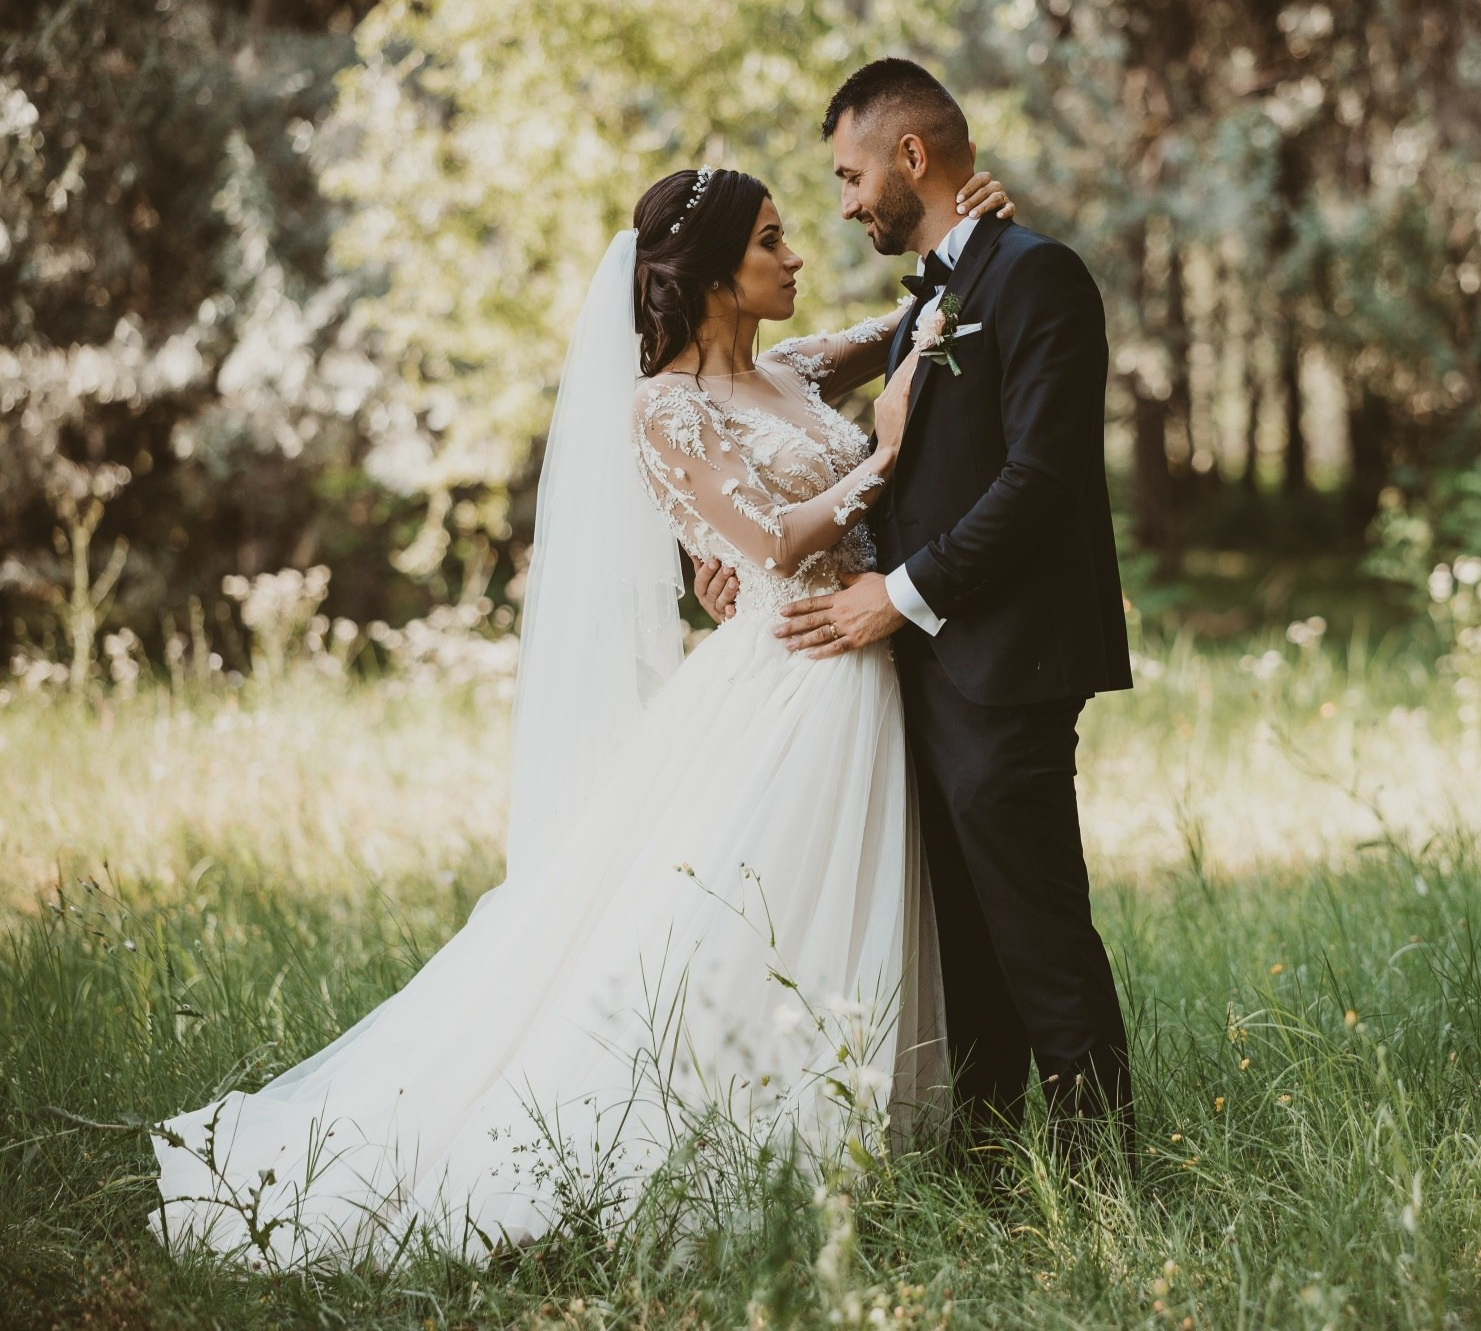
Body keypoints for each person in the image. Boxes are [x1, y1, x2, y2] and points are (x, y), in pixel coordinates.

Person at [151, 164, 1016, 1267]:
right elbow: (765, 542)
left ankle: (856, 1142)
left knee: (834, 906)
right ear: (713, 277)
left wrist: (978, 233)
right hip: (790, 682)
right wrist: (885, 454)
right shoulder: (663, 406)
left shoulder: (794, 369)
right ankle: (727, 1151)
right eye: (770, 240)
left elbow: (917, 319)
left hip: (861, 669)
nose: (796, 256)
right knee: (736, 921)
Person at [699, 58, 1137, 1162]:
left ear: (911, 156)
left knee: (1034, 926)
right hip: (916, 674)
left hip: (1003, 660)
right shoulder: (929, 301)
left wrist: (893, 598)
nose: (845, 206)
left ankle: (1101, 1174)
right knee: (965, 939)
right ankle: (984, 1158)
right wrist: (727, 559)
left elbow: (1038, 480)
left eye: (850, 177)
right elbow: (849, 463)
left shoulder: (1038, 278)